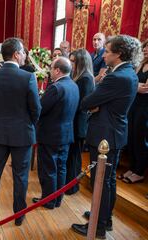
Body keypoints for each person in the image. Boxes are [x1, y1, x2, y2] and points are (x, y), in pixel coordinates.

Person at [72, 35, 141, 239]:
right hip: (115, 132)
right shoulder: (129, 73)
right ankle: (104, 218)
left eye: (108, 51)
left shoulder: (115, 77)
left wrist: (96, 103)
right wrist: (98, 103)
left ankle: (98, 226)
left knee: (101, 181)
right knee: (108, 181)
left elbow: (87, 102)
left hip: (105, 135)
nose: (105, 55)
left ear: (118, 54)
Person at [0, 38, 41, 226]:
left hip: (0, 131)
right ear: (16, 54)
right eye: (23, 52)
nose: (25, 55)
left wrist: (0, 120)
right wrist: (28, 125)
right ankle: (19, 214)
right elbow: (36, 109)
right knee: (20, 175)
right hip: (22, 134)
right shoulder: (27, 78)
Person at [33, 57, 79, 209]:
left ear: (58, 70)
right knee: (61, 167)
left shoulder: (55, 87)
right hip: (66, 134)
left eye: (51, 68)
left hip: (50, 135)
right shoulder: (73, 85)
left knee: (48, 169)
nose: (50, 71)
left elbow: (41, 108)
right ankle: (58, 199)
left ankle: (48, 201)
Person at [65, 49, 94, 195]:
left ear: (81, 62)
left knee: (74, 157)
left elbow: (82, 104)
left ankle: (72, 187)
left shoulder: (86, 79)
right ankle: (68, 185)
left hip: (78, 124)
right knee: (71, 156)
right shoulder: (78, 76)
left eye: (73, 61)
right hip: (74, 122)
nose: (70, 64)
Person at [121, 39, 148, 184]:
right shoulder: (141, 64)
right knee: (131, 137)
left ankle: (139, 171)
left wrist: (136, 86)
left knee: (140, 138)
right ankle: (132, 167)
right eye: (144, 47)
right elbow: (135, 84)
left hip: (145, 108)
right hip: (134, 104)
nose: (145, 50)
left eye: (147, 48)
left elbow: (145, 89)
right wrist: (137, 86)